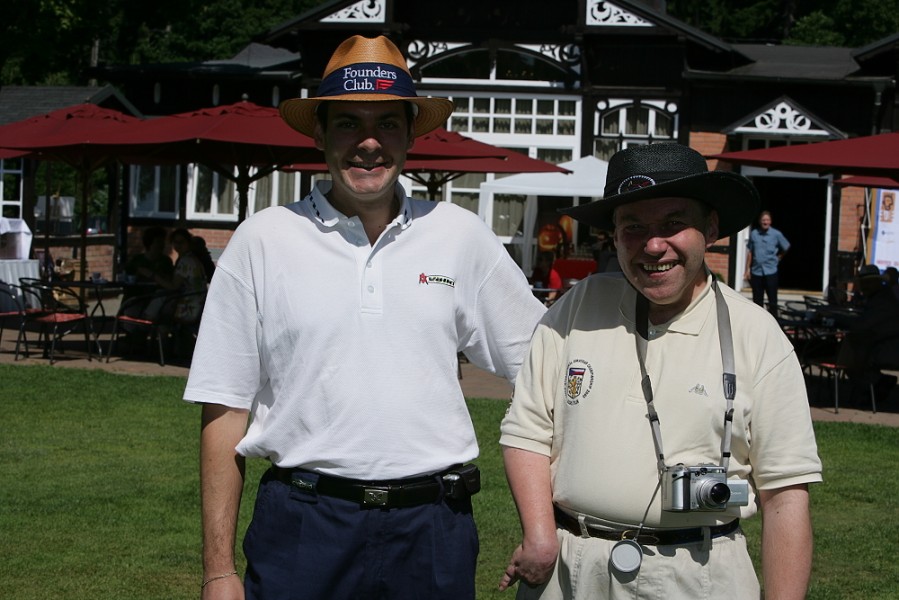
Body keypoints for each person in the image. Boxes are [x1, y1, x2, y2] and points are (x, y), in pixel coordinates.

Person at [183, 35, 546, 600]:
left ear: (411, 135)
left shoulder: (459, 235)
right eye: (349, 123)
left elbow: (545, 369)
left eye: (388, 124)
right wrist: (218, 570)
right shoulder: (262, 240)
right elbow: (224, 409)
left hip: (433, 530)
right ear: (320, 133)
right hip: (304, 528)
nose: (369, 143)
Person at [499, 143, 822, 600]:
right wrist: (540, 535)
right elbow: (527, 430)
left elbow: (785, 495)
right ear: (614, 236)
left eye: (673, 223)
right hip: (571, 570)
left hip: (700, 573)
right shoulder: (578, 306)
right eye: (634, 226)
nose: (654, 245)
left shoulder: (756, 334)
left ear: (710, 229)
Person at [744, 210, 790, 318]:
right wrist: (747, 270)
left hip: (771, 271)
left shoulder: (776, 234)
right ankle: (758, 321)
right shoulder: (754, 234)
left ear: (770, 221)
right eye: (763, 220)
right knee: (757, 301)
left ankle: (774, 320)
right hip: (757, 271)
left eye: (767, 220)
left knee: (772, 300)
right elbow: (750, 252)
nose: (765, 222)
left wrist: (779, 257)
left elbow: (786, 246)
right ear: (760, 221)